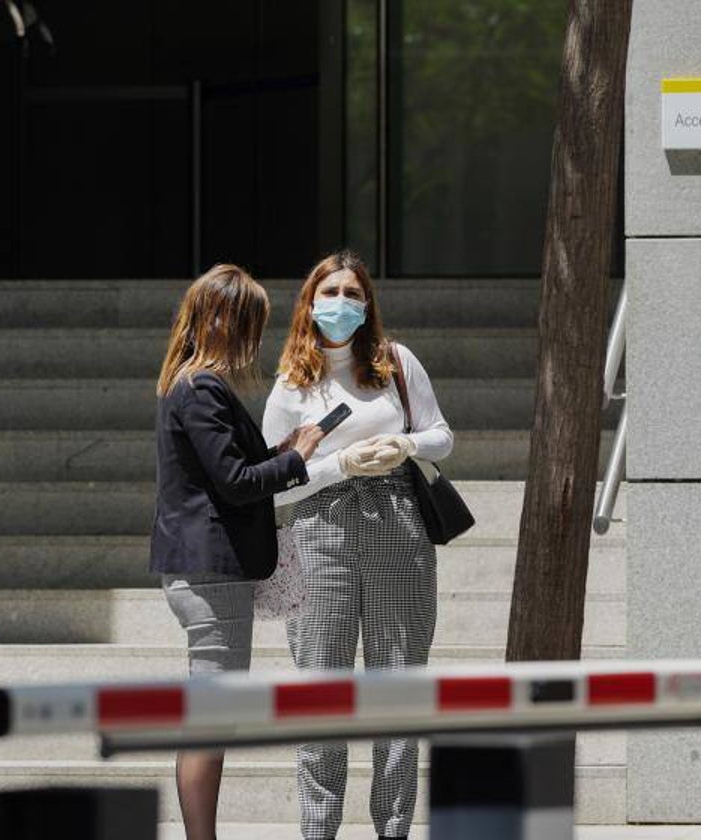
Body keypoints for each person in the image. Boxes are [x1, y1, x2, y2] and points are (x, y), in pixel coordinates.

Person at [263, 250, 453, 840]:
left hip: (398, 525)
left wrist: (407, 447)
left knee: (398, 686)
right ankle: (318, 829)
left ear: (367, 302)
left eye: (351, 292)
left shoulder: (394, 361)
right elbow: (272, 481)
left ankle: (393, 828)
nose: (340, 303)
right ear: (309, 302)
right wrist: (340, 465)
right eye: (329, 292)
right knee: (321, 688)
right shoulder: (292, 385)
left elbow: (442, 436)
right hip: (320, 532)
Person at [150, 264, 325, 840]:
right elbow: (235, 481)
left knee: (212, 714)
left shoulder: (191, 383)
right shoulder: (201, 386)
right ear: (224, 320)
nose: (253, 340)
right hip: (211, 569)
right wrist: (295, 458)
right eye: (251, 324)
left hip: (206, 567)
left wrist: (278, 451)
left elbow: (228, 468)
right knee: (210, 716)